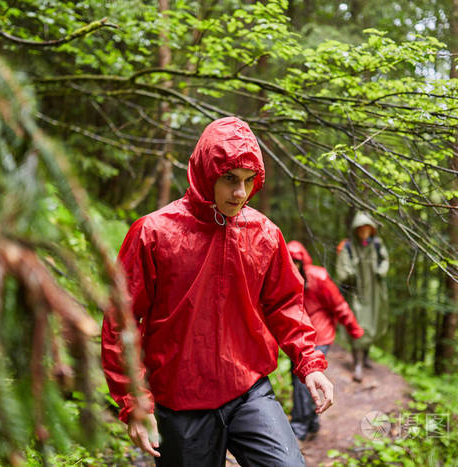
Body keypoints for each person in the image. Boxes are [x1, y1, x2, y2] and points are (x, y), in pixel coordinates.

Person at [101, 116, 334, 467]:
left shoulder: (264, 234)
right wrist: (135, 401)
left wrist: (309, 363)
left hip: (248, 391)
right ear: (205, 174)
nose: (240, 193)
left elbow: (285, 305)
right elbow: (121, 322)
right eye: (229, 179)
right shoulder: (153, 233)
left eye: (248, 181)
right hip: (180, 402)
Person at [287, 240, 364, 441]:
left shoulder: (318, 278)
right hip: (297, 336)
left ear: (303, 262)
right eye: (290, 261)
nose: (294, 265)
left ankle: (300, 428)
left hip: (319, 334)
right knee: (297, 376)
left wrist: (354, 330)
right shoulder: (285, 278)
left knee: (302, 378)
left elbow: (339, 305)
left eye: (297, 261)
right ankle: (312, 422)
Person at [335, 211, 389, 382]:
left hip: (374, 292)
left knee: (371, 323)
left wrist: (380, 271)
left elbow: (385, 260)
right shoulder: (349, 247)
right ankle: (357, 363)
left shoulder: (377, 245)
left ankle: (365, 358)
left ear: (371, 230)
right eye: (361, 229)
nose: (364, 233)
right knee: (358, 323)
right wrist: (351, 273)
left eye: (367, 229)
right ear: (356, 230)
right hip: (356, 292)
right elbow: (343, 268)